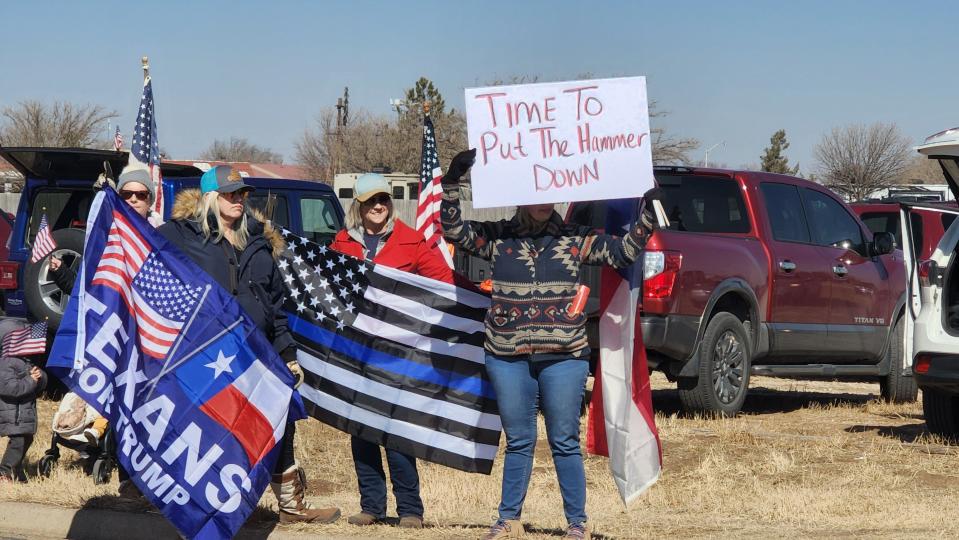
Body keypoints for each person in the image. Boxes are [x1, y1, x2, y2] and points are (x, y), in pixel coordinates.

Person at [440, 150, 661, 540]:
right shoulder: (498, 238)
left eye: (549, 195)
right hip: (507, 355)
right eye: (534, 194)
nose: (543, 203)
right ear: (520, 196)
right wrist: (452, 184)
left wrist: (648, 212)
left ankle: (577, 522)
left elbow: (624, 251)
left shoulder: (576, 238)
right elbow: (454, 231)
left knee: (564, 440)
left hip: (564, 357)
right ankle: (508, 519)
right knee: (519, 440)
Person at [158, 165, 340, 524]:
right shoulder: (181, 236)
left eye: (242, 193)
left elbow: (275, 306)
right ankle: (196, 508)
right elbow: (143, 259)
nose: (239, 199)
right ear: (211, 197)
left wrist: (288, 354)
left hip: (256, 353)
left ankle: (291, 505)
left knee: (279, 418)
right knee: (208, 428)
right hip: (204, 353)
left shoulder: (259, 241)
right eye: (231, 194)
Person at [330, 173, 454, 529]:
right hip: (357, 353)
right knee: (361, 429)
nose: (378, 206)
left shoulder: (412, 241)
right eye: (370, 201)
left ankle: (410, 510)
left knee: (397, 431)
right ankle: (371, 506)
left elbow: (442, 283)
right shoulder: (342, 242)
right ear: (359, 206)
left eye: (383, 199)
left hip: (399, 352)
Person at [49, 167, 160, 447]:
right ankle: (96, 436)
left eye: (141, 194)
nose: (134, 199)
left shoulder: (165, 240)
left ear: (151, 200)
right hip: (111, 332)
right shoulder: (104, 238)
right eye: (127, 194)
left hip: (147, 339)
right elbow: (87, 291)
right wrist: (61, 272)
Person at [0, 319, 48, 482]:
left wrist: (40, 378)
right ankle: (4, 472)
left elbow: (40, 383)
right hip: (13, 413)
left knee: (26, 439)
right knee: (19, 440)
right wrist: (31, 381)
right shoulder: (5, 363)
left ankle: (16, 471)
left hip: (24, 412)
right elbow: (9, 388)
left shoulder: (25, 361)